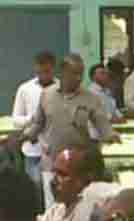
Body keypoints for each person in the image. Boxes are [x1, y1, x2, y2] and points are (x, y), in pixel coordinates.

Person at [17, 54, 117, 209]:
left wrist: (111, 136)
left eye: (81, 74)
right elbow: (38, 123)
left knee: (79, 207)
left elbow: (102, 123)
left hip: (78, 166)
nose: (79, 78)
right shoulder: (47, 95)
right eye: (74, 73)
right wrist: (25, 136)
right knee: (53, 207)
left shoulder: (90, 98)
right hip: (52, 162)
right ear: (63, 72)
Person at [11, 51, 57, 196]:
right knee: (35, 189)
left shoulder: (61, 88)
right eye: (40, 71)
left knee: (54, 190)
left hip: (55, 149)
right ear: (35, 69)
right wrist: (33, 118)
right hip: (33, 150)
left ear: (53, 68)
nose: (43, 74)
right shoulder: (25, 89)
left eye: (47, 71)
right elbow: (16, 120)